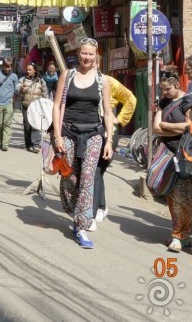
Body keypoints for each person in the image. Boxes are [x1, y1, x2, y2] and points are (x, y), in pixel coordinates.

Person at [51, 38, 115, 249]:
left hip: (94, 134)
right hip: (68, 131)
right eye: (84, 53)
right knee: (69, 177)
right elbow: (57, 106)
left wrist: (109, 140)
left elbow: (107, 111)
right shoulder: (67, 75)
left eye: (91, 54)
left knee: (88, 179)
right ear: (78, 54)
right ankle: (75, 211)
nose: (87, 58)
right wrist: (58, 135)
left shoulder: (102, 80)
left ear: (96, 56)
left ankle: (81, 226)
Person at [151, 71, 192, 252]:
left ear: (177, 84)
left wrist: (164, 126)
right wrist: (170, 129)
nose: (165, 93)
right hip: (166, 152)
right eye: (162, 90)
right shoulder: (163, 103)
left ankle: (179, 235)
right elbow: (155, 128)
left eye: (167, 89)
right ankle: (180, 232)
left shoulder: (189, 101)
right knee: (169, 193)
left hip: (184, 154)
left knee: (183, 196)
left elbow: (188, 127)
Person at [92, 71, 137, 226]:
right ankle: (98, 206)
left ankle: (98, 208)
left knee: (98, 169)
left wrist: (119, 119)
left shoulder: (109, 82)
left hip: (107, 131)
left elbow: (131, 99)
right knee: (93, 171)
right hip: (88, 130)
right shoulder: (80, 79)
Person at [0, 57, 20, 151]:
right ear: (3, 65)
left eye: (9, 67)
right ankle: (2, 140)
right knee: (0, 125)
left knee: (7, 123)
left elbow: (17, 89)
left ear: (11, 66)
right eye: (6, 67)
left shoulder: (14, 76)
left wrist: (13, 100)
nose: (7, 68)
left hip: (9, 104)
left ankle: (5, 144)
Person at [18, 62, 47, 153]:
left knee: (36, 125)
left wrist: (45, 106)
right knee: (27, 126)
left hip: (36, 107)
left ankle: (36, 145)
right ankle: (28, 144)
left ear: (35, 70)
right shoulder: (23, 79)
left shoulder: (41, 81)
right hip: (26, 107)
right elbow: (16, 89)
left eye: (30, 70)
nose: (28, 71)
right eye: (27, 69)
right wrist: (20, 88)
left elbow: (45, 94)